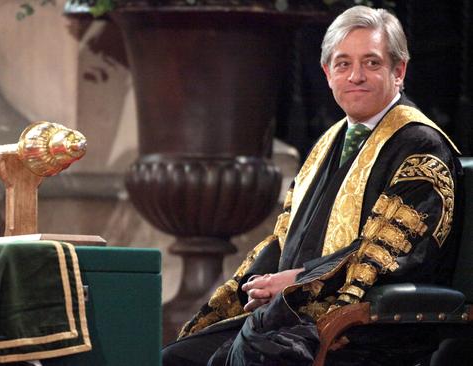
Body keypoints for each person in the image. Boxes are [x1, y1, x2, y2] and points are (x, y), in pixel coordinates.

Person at [162, 5, 462, 366]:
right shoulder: (329, 142)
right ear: (327, 73)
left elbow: (389, 256)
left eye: (371, 63)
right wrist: (260, 285)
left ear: (399, 71)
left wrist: (295, 284)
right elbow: (284, 238)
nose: (356, 76)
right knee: (177, 357)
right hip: (293, 315)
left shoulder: (420, 146)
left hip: (367, 328)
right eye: (343, 64)